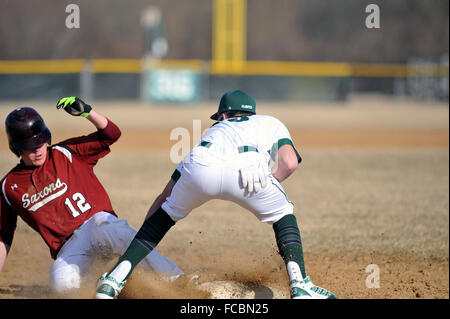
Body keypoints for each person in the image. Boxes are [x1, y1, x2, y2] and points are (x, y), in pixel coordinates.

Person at [95, 90, 337, 299]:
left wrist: (146, 233)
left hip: (200, 165)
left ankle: (115, 279)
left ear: (223, 116)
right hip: (249, 169)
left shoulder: (211, 132)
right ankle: (300, 283)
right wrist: (269, 180)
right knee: (283, 213)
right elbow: (290, 162)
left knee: (166, 214)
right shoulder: (270, 122)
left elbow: (164, 196)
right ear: (251, 113)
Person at [0, 97, 183, 295]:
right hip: (69, 249)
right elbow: (2, 235)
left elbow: (111, 134)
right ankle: (113, 284)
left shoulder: (65, 152)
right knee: (62, 287)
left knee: (108, 225)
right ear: (17, 148)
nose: (38, 150)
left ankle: (176, 278)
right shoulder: (9, 186)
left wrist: (88, 112)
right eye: (30, 147)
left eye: (41, 143)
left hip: (97, 227)